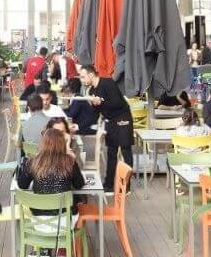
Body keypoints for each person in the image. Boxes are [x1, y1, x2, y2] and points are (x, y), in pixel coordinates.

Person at [79, 64, 133, 193]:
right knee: (111, 152)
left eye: (83, 77)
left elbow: (117, 103)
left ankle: (126, 185)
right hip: (110, 121)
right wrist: (79, 126)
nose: (82, 80)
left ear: (91, 75)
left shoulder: (107, 83)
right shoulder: (91, 91)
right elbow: (95, 114)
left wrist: (101, 102)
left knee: (125, 151)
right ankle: (109, 184)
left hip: (122, 117)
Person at [15, 128, 85, 216]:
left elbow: (22, 185)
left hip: (39, 218)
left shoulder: (33, 162)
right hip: (65, 218)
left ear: (42, 143)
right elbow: (79, 185)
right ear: (62, 143)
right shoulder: (70, 162)